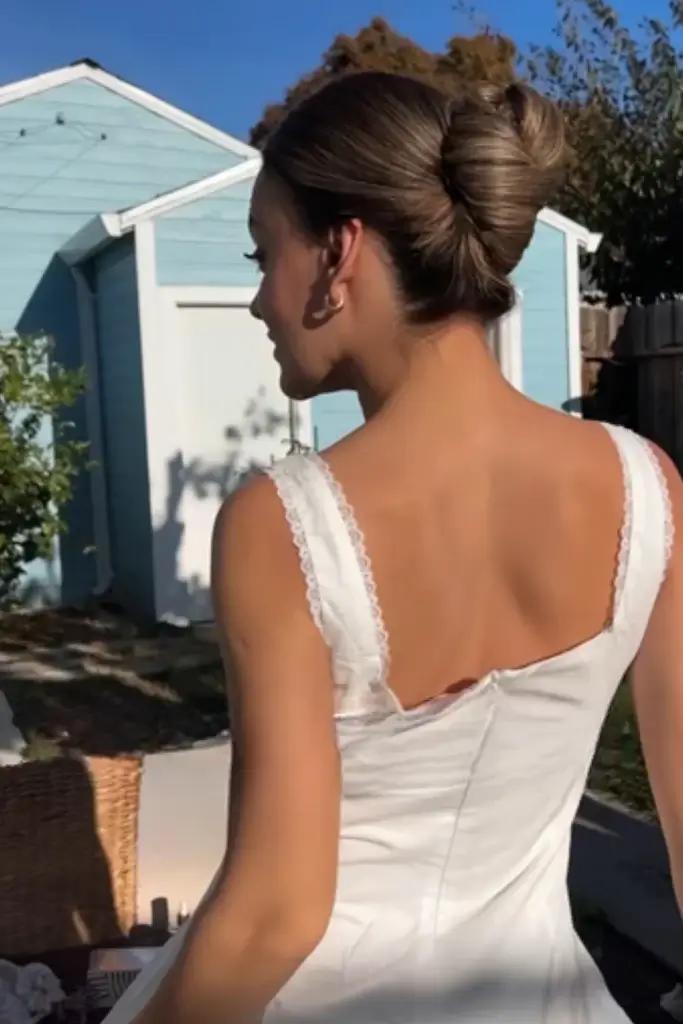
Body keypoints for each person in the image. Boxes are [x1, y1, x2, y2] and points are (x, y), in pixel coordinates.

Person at [104, 71, 683, 1024]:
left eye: (262, 256)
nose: (256, 302)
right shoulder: (648, 490)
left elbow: (276, 917)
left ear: (339, 253)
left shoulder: (280, 526)